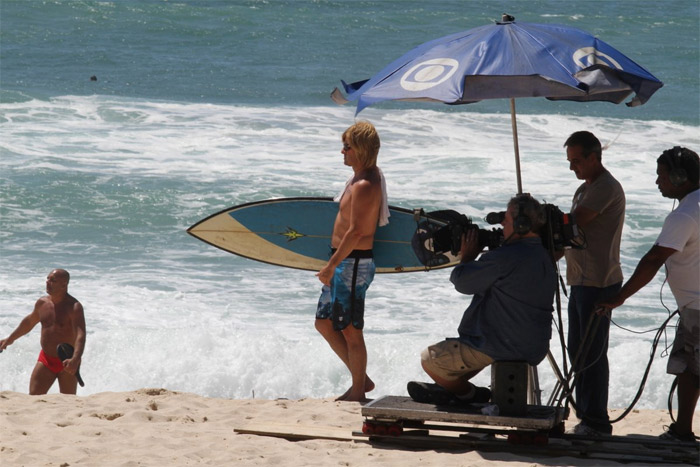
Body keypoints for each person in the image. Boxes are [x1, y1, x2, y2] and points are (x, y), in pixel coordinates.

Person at [408, 194, 556, 405]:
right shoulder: (543, 255)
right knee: (474, 348)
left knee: (430, 360)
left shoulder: (506, 257)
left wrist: (468, 257)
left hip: (503, 344)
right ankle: (449, 390)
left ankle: (470, 395)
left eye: (506, 218)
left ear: (521, 225)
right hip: (533, 345)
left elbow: (463, 283)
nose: (502, 222)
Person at [598, 147, 699, 443]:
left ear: (680, 178)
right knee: (690, 368)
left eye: (662, 176)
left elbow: (653, 259)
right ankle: (682, 430)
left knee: (689, 367)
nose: (658, 182)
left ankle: (682, 432)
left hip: (696, 307)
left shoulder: (685, 215)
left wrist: (620, 297)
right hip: (692, 306)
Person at [315, 121, 390, 402]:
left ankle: (358, 390)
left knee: (350, 328)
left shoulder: (365, 185)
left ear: (360, 149)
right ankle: (362, 379)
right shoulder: (358, 179)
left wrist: (331, 265)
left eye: (347, 146)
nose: (342, 151)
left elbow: (357, 231)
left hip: (353, 263)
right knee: (324, 323)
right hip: (344, 262)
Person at [562, 131, 625, 436]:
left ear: (594, 157)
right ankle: (587, 415)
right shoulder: (584, 189)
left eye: (577, 161)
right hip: (580, 281)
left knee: (592, 353)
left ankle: (596, 420)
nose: (573, 167)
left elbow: (575, 222)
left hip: (598, 282)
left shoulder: (605, 187)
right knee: (579, 351)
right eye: (570, 161)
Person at [0, 269, 86, 395]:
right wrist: (10, 339)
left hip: (67, 361)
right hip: (46, 360)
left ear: (64, 284)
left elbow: (81, 334)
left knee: (68, 401)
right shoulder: (42, 303)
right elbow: (29, 322)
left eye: (53, 280)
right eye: (47, 279)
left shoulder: (74, 307)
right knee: (34, 398)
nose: (48, 282)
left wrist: (75, 359)